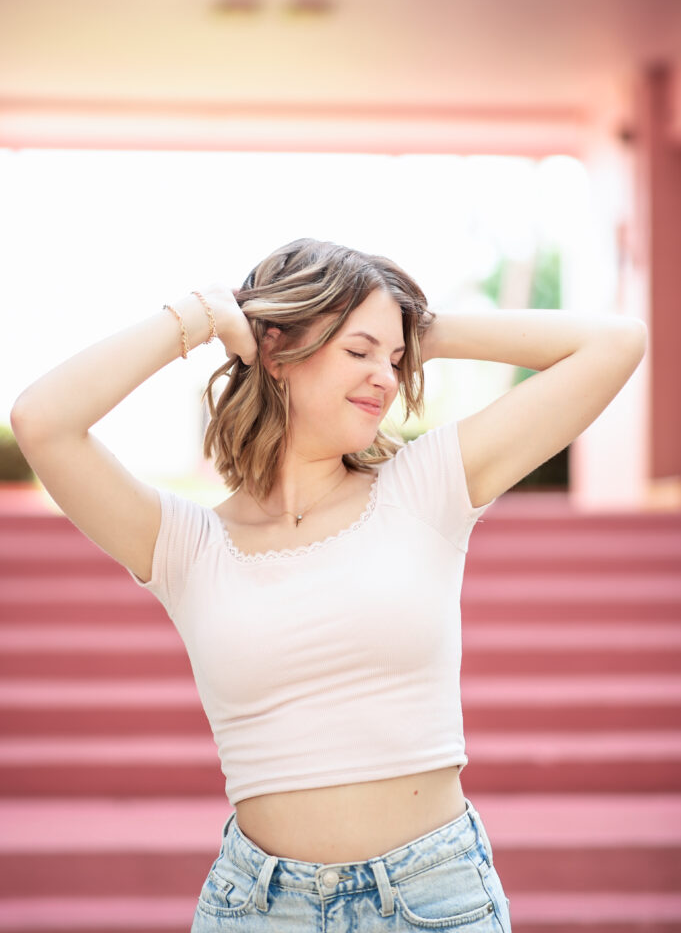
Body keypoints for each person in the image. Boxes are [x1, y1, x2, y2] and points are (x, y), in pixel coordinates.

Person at [11, 236, 647, 932]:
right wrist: (199, 316)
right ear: (277, 351)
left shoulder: (425, 486)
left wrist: (418, 330)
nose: (386, 375)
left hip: (433, 897)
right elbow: (43, 423)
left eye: (395, 359)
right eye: (358, 351)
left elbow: (614, 345)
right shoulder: (185, 545)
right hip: (257, 907)